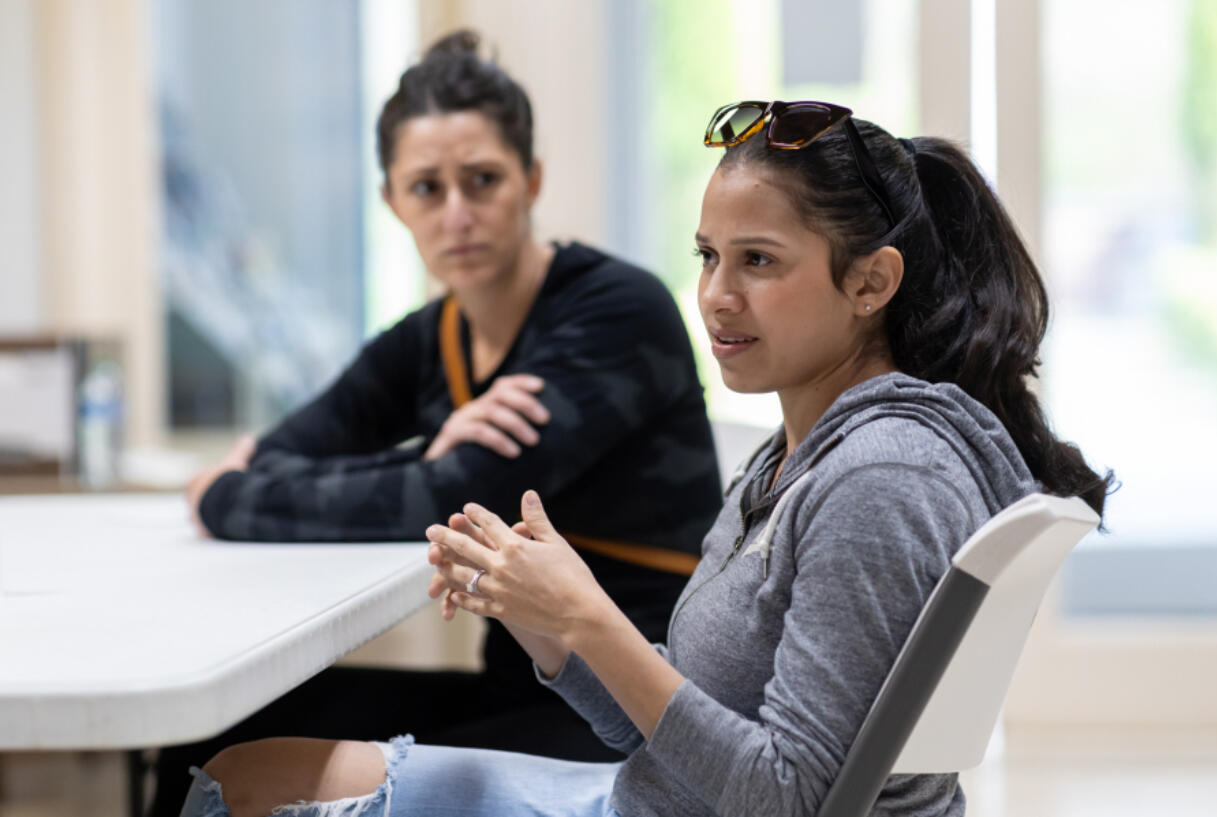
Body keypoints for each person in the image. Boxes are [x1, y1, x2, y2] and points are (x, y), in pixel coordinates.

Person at [177, 100, 1112, 817]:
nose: (714, 297)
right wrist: (552, 620)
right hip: (642, 791)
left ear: (871, 281)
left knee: (242, 782)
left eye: (759, 261)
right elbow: (652, 726)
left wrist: (592, 618)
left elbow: (788, 797)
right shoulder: (800, 456)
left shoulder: (881, 477)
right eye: (709, 255)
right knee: (246, 765)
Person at [150, 30, 724, 816]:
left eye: (482, 180)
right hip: (522, 683)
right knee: (204, 735)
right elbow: (284, 457)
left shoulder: (616, 311)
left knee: (233, 754)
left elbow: (452, 494)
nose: (457, 213)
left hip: (630, 712)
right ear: (392, 200)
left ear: (532, 181)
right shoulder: (431, 339)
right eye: (427, 188)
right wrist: (431, 453)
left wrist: (222, 497)